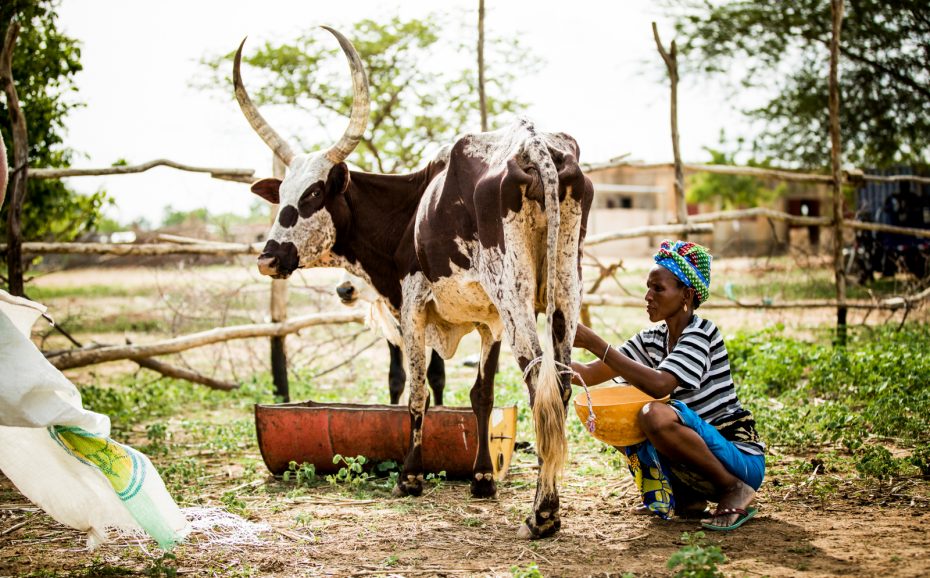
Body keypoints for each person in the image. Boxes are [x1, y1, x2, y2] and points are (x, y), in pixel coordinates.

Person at [572, 240, 765, 531]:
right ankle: (685, 496)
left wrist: (596, 344)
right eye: (648, 288)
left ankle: (733, 489)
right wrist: (544, 357)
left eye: (658, 289)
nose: (648, 296)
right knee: (608, 417)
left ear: (686, 295)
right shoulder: (652, 339)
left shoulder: (702, 333)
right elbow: (587, 373)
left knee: (654, 414)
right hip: (703, 458)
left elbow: (661, 385)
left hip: (739, 460)